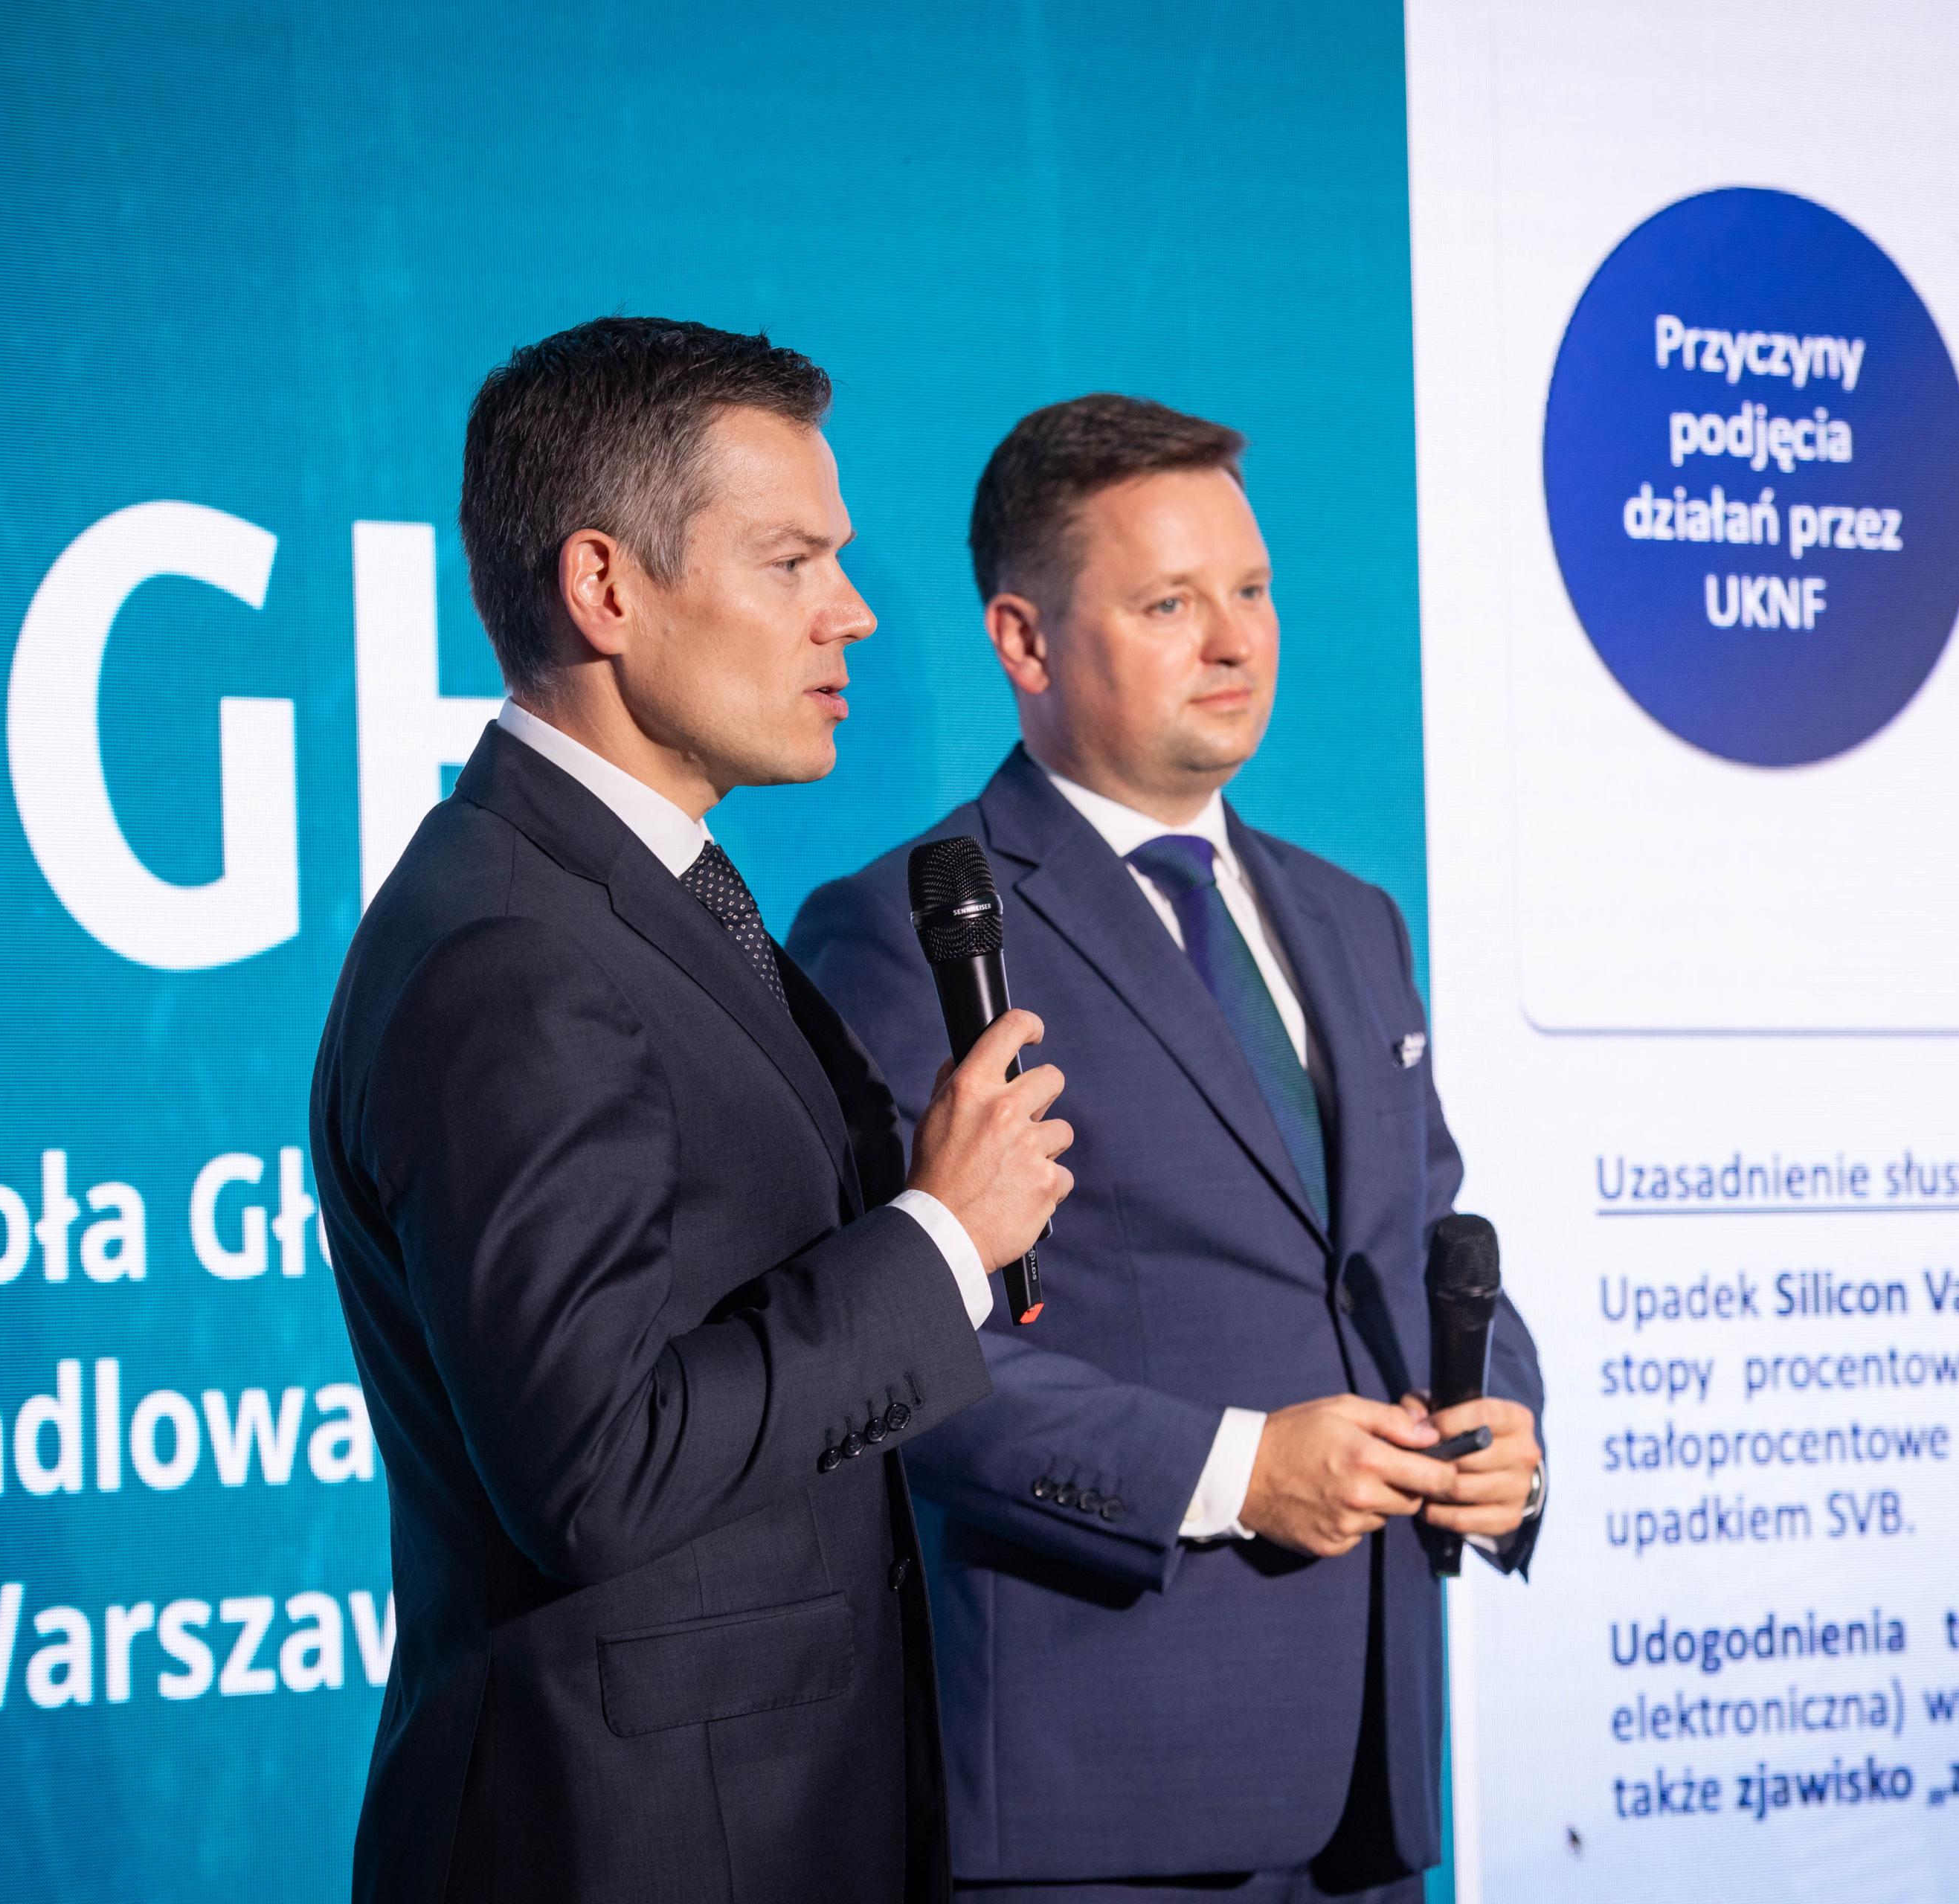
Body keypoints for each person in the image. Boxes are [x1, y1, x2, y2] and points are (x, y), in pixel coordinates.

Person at [309, 318, 1074, 1904]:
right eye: (791, 561)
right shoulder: (511, 953)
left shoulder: (647, 895)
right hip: (632, 1840)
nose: (853, 611)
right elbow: (597, 1470)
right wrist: (940, 1240)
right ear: (604, 587)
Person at [790, 394, 1545, 1902]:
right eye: (1169, 603)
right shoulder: (906, 931)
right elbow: (888, 1365)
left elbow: (1425, 1243)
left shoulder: (1353, 917)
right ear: (1024, 640)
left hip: (1371, 1801)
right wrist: (1239, 1470)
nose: (1235, 641)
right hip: (1100, 1810)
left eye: (1251, 590)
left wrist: (1506, 1430)